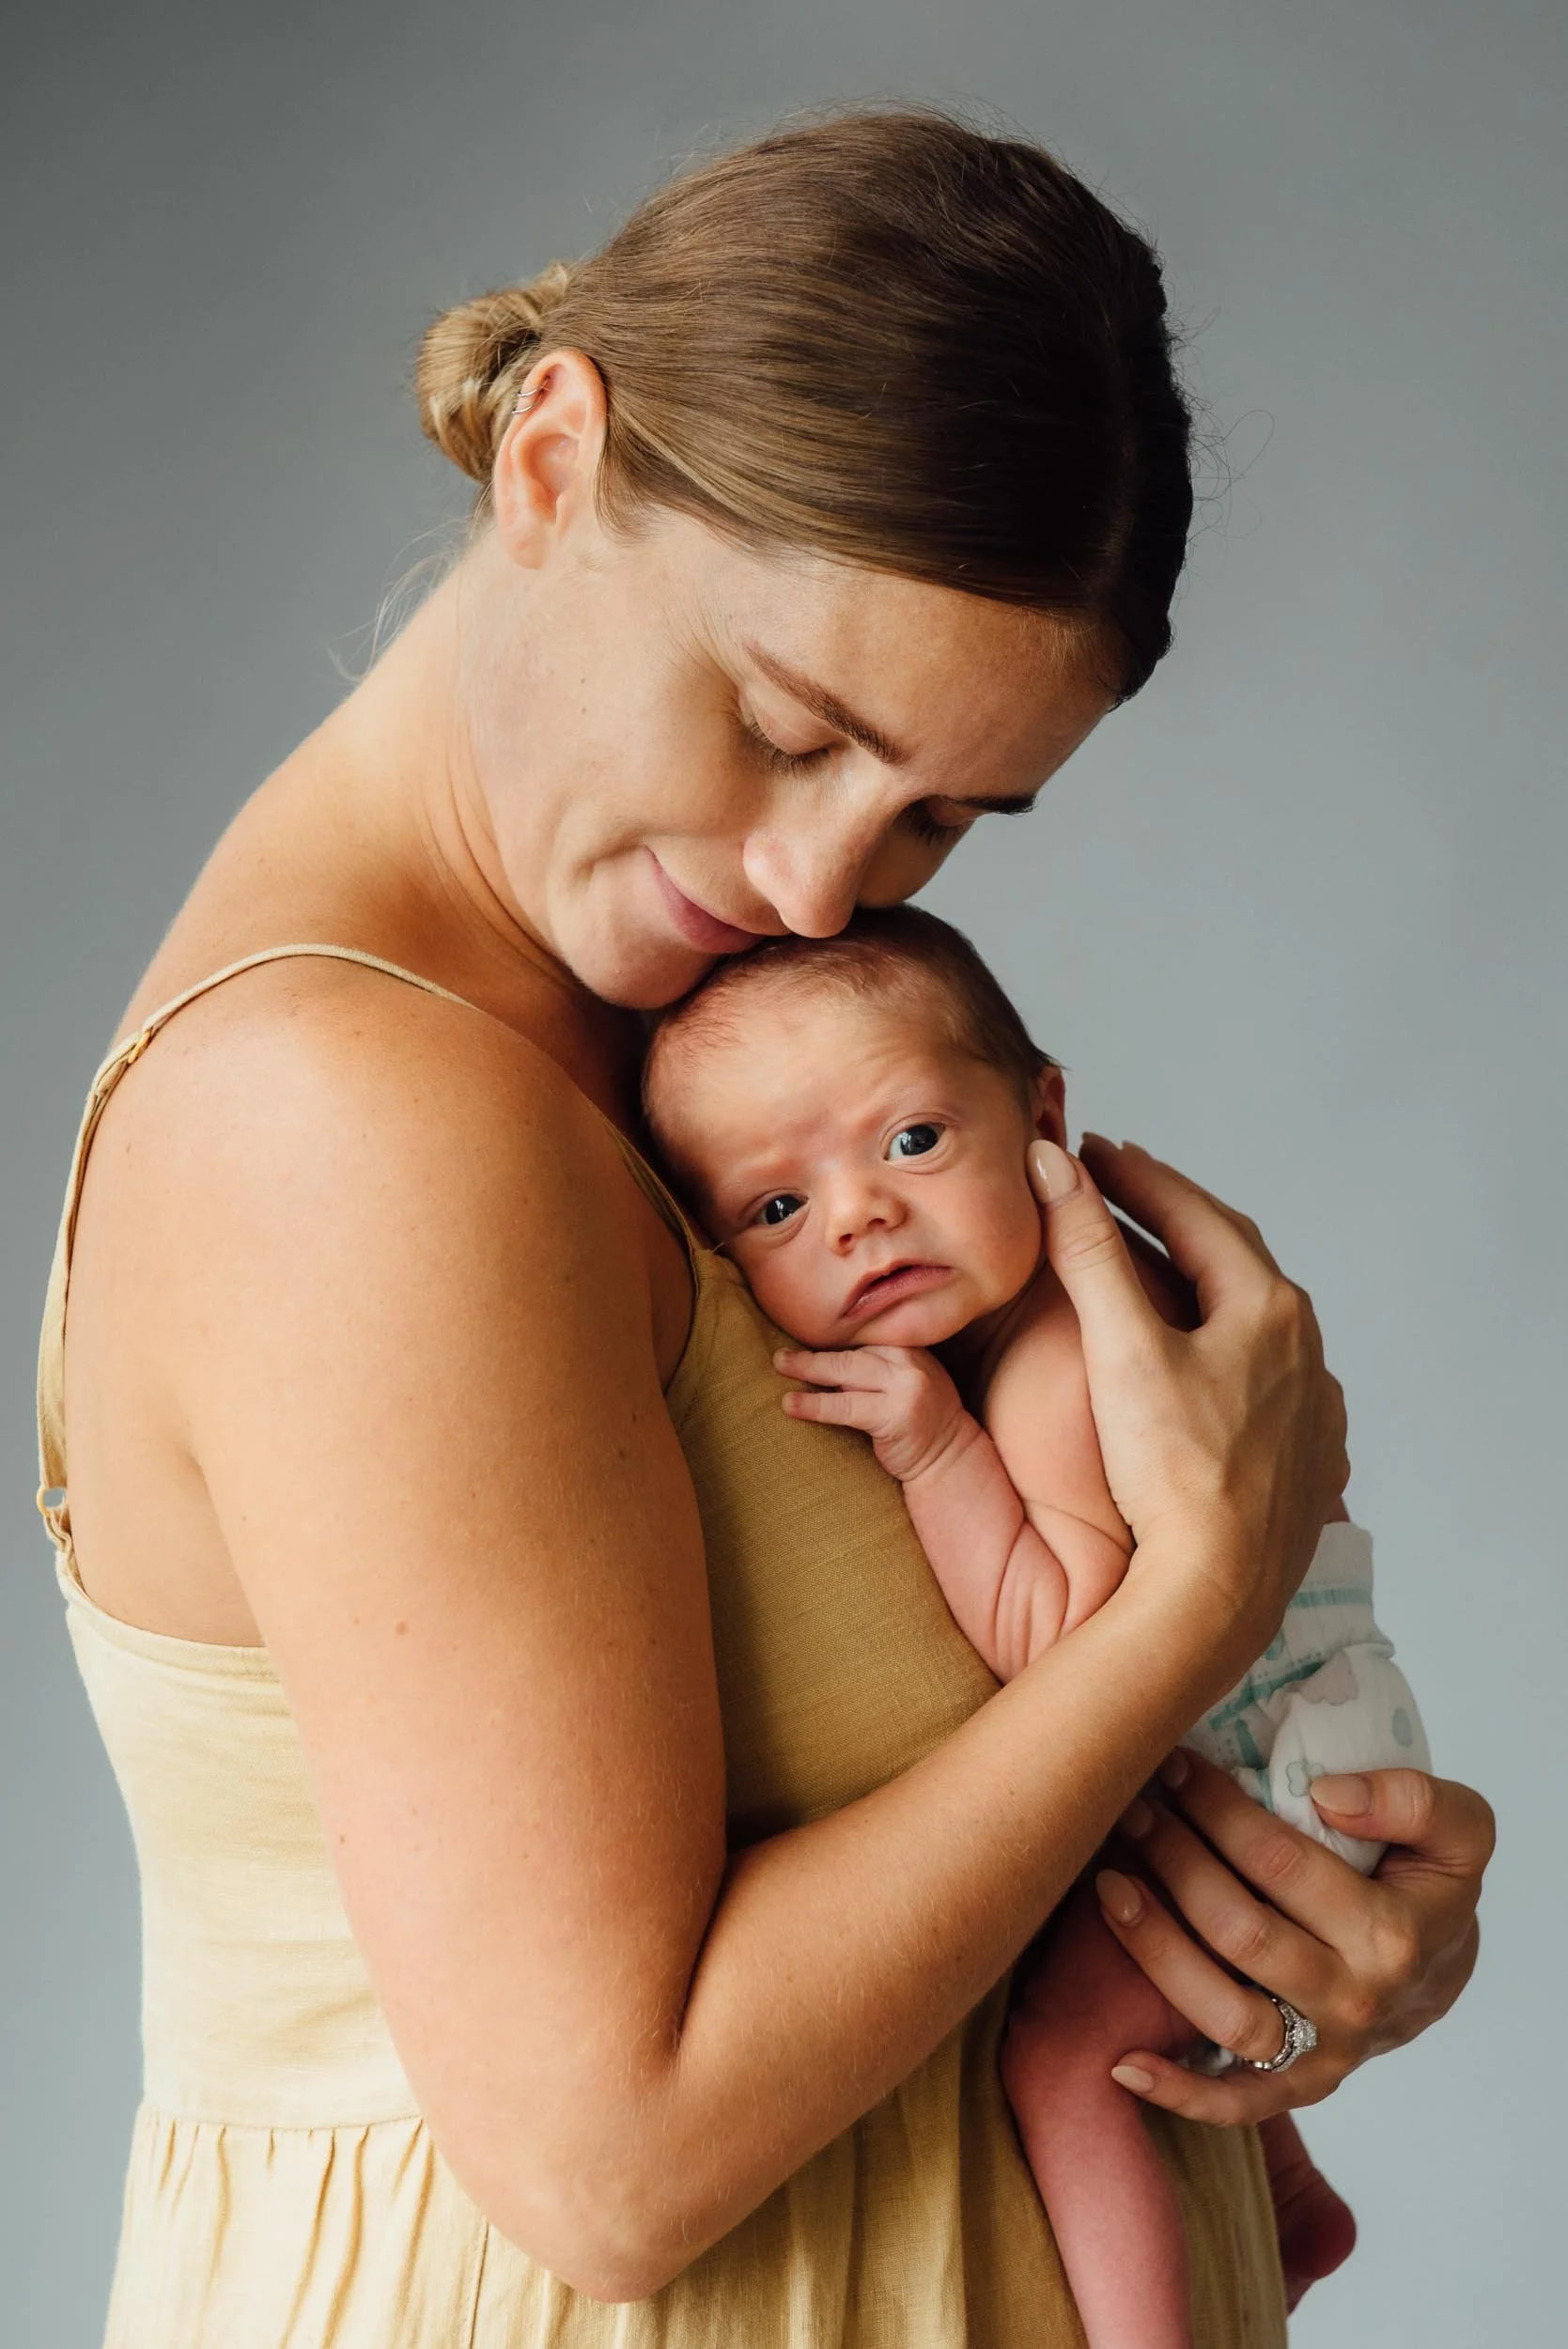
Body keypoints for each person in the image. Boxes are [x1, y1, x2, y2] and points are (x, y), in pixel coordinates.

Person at [34, 108, 1492, 2348]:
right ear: (549, 462)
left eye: (936, 818)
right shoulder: (358, 1121)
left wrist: (1304, 1904)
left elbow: (953, 1826)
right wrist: (1188, 1603)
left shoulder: (649, 1010)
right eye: (782, 725)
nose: (819, 886)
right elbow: (609, 2157)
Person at [640, 902, 1435, 2336]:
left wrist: (937, 1454)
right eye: (776, 1209)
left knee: (1065, 2061)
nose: (859, 1214)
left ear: (1043, 1113)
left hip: (1271, 1765)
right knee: (1099, 1920)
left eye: (912, 1141)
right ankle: (1294, 2197)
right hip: (1309, 1730)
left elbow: (1074, 1665)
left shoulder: (1067, 1363)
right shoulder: (1091, 1299)